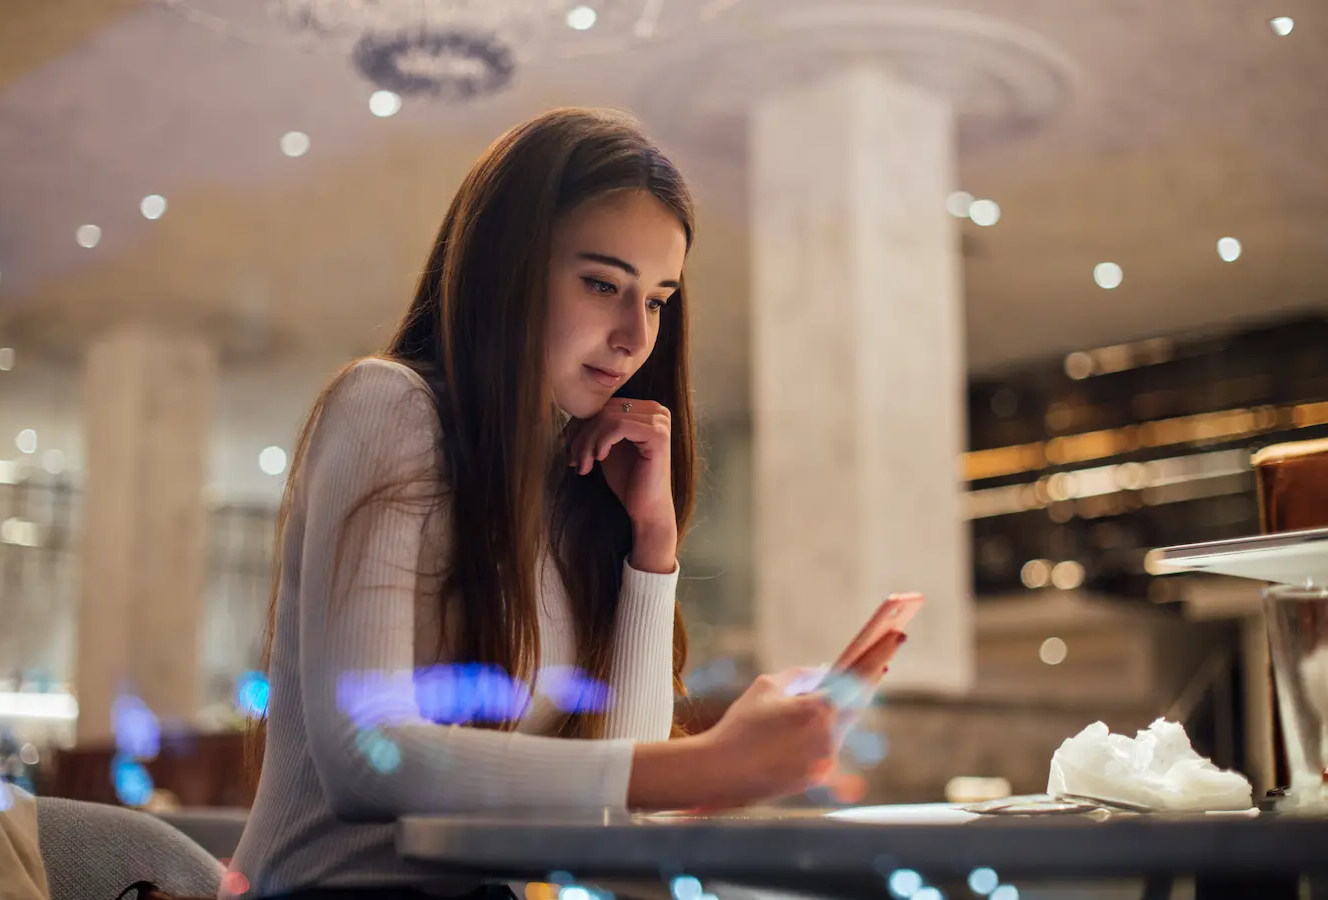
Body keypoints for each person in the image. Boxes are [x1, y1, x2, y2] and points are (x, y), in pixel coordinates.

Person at [230, 108, 910, 900]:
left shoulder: (571, 486)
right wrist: (710, 762)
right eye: (601, 283)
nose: (634, 337)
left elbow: (616, 811)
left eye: (657, 300)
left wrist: (652, 546)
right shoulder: (389, 404)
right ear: (507, 270)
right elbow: (364, 756)